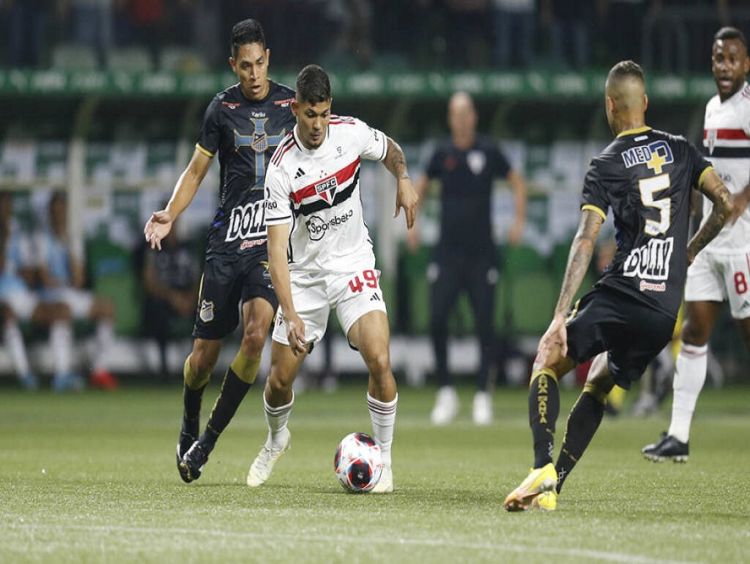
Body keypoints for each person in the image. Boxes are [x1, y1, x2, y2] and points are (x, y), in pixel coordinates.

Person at [503, 60, 732, 512]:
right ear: (643, 103)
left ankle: (540, 465)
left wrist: (558, 315)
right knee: (602, 383)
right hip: (664, 310)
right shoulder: (683, 151)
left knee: (548, 359)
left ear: (610, 106)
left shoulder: (606, 163)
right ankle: (554, 488)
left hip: (624, 292)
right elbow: (723, 204)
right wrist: (687, 253)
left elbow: (587, 238)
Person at [245, 64, 418, 493]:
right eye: (310, 115)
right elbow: (276, 252)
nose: (318, 125)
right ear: (295, 109)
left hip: (353, 264)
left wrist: (404, 178)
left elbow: (391, 149)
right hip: (303, 277)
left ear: (330, 109)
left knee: (379, 357)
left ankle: (385, 463)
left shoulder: (351, 133)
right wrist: (290, 312)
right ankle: (275, 438)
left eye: (324, 114)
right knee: (279, 380)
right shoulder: (282, 169)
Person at [143, 18, 296, 483]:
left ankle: (206, 442)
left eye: (259, 63)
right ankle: (190, 417)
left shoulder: (292, 105)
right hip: (225, 244)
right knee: (202, 360)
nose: (253, 73)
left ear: (268, 57)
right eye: (244, 66)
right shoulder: (220, 109)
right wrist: (170, 213)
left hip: (267, 245)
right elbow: (194, 172)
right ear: (234, 64)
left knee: (255, 336)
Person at [642, 27, 750, 462]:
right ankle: (678, 435)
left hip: (744, 243)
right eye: (718, 58)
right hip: (709, 240)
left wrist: (741, 199)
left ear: (747, 64)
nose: (724, 66)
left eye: (732, 59)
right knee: (694, 331)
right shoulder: (710, 108)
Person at [409, 91, 527, 426]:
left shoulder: (488, 150)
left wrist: (519, 220)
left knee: (485, 325)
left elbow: (517, 182)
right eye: (454, 113)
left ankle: (482, 395)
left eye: (465, 113)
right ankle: (445, 392)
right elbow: (421, 185)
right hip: (446, 253)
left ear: (474, 116)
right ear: (450, 118)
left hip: (481, 254)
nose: (460, 119)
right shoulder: (441, 153)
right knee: (436, 319)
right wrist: (413, 224)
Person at [36, 191, 119, 390]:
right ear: (49, 214)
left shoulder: (73, 239)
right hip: (50, 296)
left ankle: (99, 370)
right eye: (55, 211)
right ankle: (62, 373)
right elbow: (45, 279)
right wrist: (64, 283)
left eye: (62, 211)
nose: (58, 215)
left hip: (71, 293)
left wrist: (68, 245)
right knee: (62, 310)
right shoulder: (41, 239)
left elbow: (79, 279)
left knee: (107, 308)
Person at [0, 192, 73, 391]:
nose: (5, 212)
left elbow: (30, 273)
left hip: (22, 295)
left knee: (61, 311)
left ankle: (62, 375)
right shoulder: (7, 236)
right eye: (1, 207)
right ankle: (25, 375)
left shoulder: (18, 234)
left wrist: (28, 274)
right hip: (3, 297)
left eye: (7, 207)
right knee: (8, 314)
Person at [139, 216, 200, 380]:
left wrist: (190, 299)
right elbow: (149, 283)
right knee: (156, 309)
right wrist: (173, 297)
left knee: (205, 309)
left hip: (186, 296)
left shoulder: (187, 248)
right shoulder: (151, 247)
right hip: (164, 297)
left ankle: (198, 366)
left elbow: (198, 279)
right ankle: (163, 368)